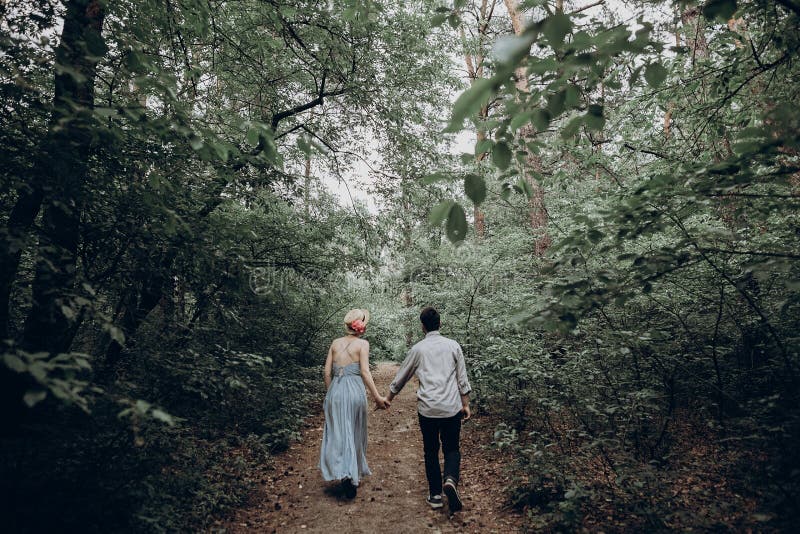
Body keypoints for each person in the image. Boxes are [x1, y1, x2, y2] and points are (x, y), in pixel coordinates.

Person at [386, 306, 472, 512]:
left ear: (422, 327)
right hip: (451, 408)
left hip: (428, 410)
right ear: (440, 324)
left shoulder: (418, 349)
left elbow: (401, 377)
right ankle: (450, 479)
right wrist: (466, 403)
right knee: (452, 448)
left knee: (430, 451)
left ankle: (435, 495)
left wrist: (388, 398)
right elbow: (462, 378)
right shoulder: (453, 346)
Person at [319, 308, 390, 499]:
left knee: (339, 433)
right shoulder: (362, 344)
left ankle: (342, 472)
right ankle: (350, 475)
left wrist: (331, 394)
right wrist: (377, 397)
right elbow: (365, 372)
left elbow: (326, 373)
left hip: (336, 391)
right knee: (354, 431)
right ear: (360, 327)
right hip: (354, 393)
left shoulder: (334, 343)